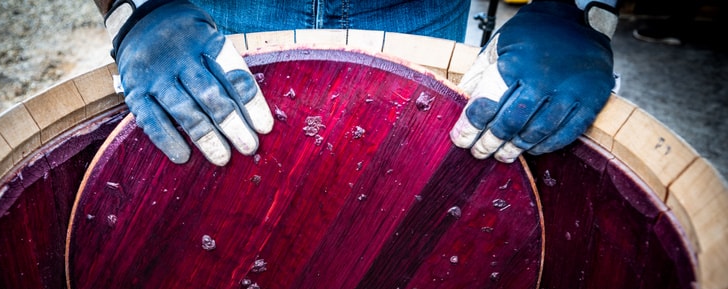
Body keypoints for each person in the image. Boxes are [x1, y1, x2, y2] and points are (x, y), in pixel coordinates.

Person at [91, 0, 618, 166]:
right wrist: (134, 10)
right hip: (222, 14)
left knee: (399, 221)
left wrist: (576, 10)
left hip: (415, 13)